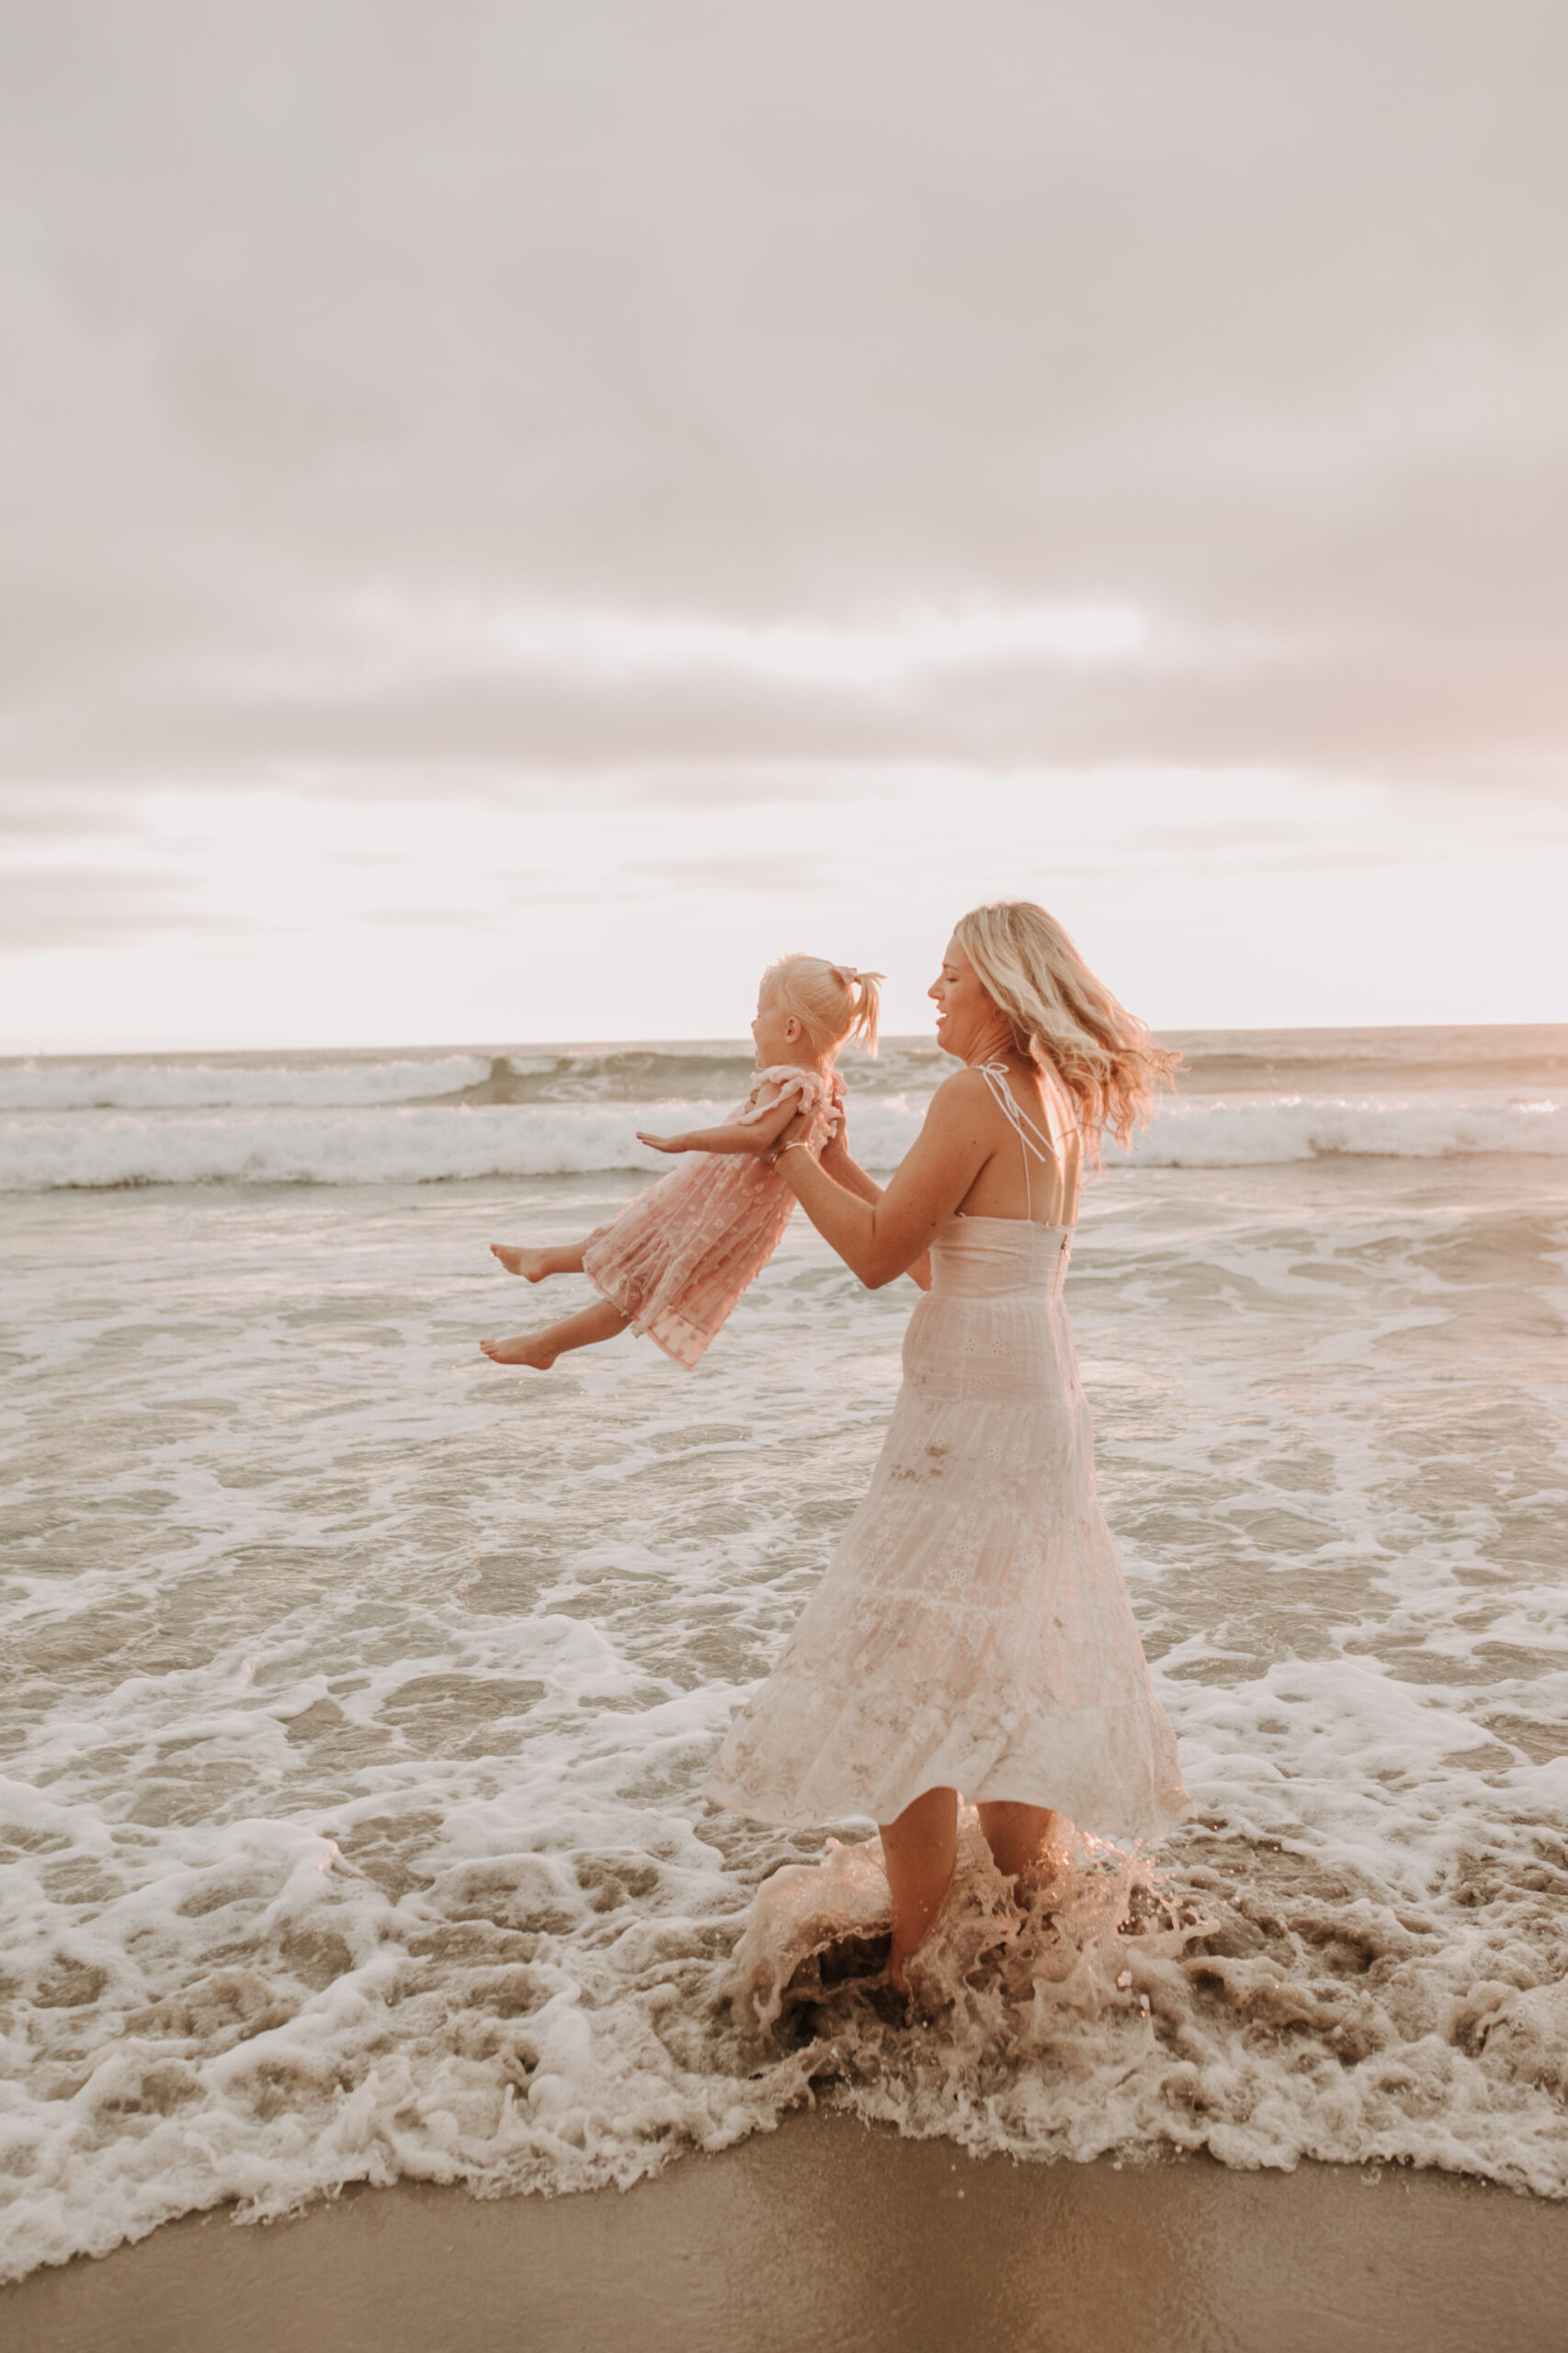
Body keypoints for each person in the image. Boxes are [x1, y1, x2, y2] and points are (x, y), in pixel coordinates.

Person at [699, 902, 1191, 1990]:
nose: (931, 993)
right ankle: (1034, 1916)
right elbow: (940, 1256)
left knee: (899, 1674)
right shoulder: (1045, 1099)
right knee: (1002, 1655)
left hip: (972, 1412)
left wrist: (788, 1154)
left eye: (951, 977)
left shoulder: (974, 1093)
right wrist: (845, 1165)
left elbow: (878, 1259)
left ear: (1003, 992)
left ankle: (920, 1959)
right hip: (1032, 1399)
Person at [481, 956, 887, 1373]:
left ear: (790, 1029)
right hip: (727, 1210)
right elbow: (828, 1155)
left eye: (760, 1014)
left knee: (638, 1287)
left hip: (718, 1207)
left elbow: (757, 1137)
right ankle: (545, 1262)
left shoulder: (790, 1082)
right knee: (631, 1240)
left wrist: (686, 1140)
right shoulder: (825, 1089)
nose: (752, 1025)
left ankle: (546, 1344)